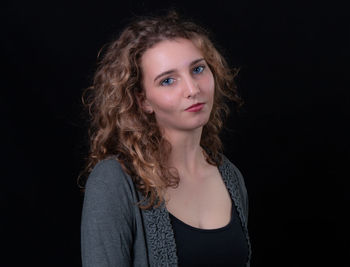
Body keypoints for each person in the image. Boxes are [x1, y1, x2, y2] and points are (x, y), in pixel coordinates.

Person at [79, 11, 251, 267]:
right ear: (143, 100)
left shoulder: (230, 176)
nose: (193, 89)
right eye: (168, 80)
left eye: (198, 69)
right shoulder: (114, 182)